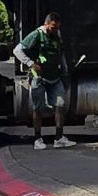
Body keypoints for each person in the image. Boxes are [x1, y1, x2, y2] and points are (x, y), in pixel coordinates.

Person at [11, 12, 69, 146]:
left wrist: (65, 70)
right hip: (39, 78)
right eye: (53, 27)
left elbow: (61, 54)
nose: (55, 30)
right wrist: (30, 63)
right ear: (46, 24)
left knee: (60, 105)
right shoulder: (36, 34)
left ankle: (59, 138)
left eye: (57, 27)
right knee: (38, 108)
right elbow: (17, 50)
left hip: (55, 76)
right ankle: (37, 139)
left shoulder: (57, 35)